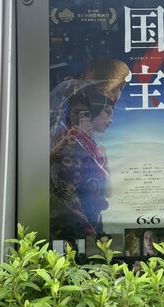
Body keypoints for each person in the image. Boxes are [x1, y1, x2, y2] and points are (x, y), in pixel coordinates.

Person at [50, 60, 129, 239]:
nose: (111, 120)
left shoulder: (85, 140)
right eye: (108, 112)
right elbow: (68, 193)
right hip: (77, 222)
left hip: (88, 218)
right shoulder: (73, 141)